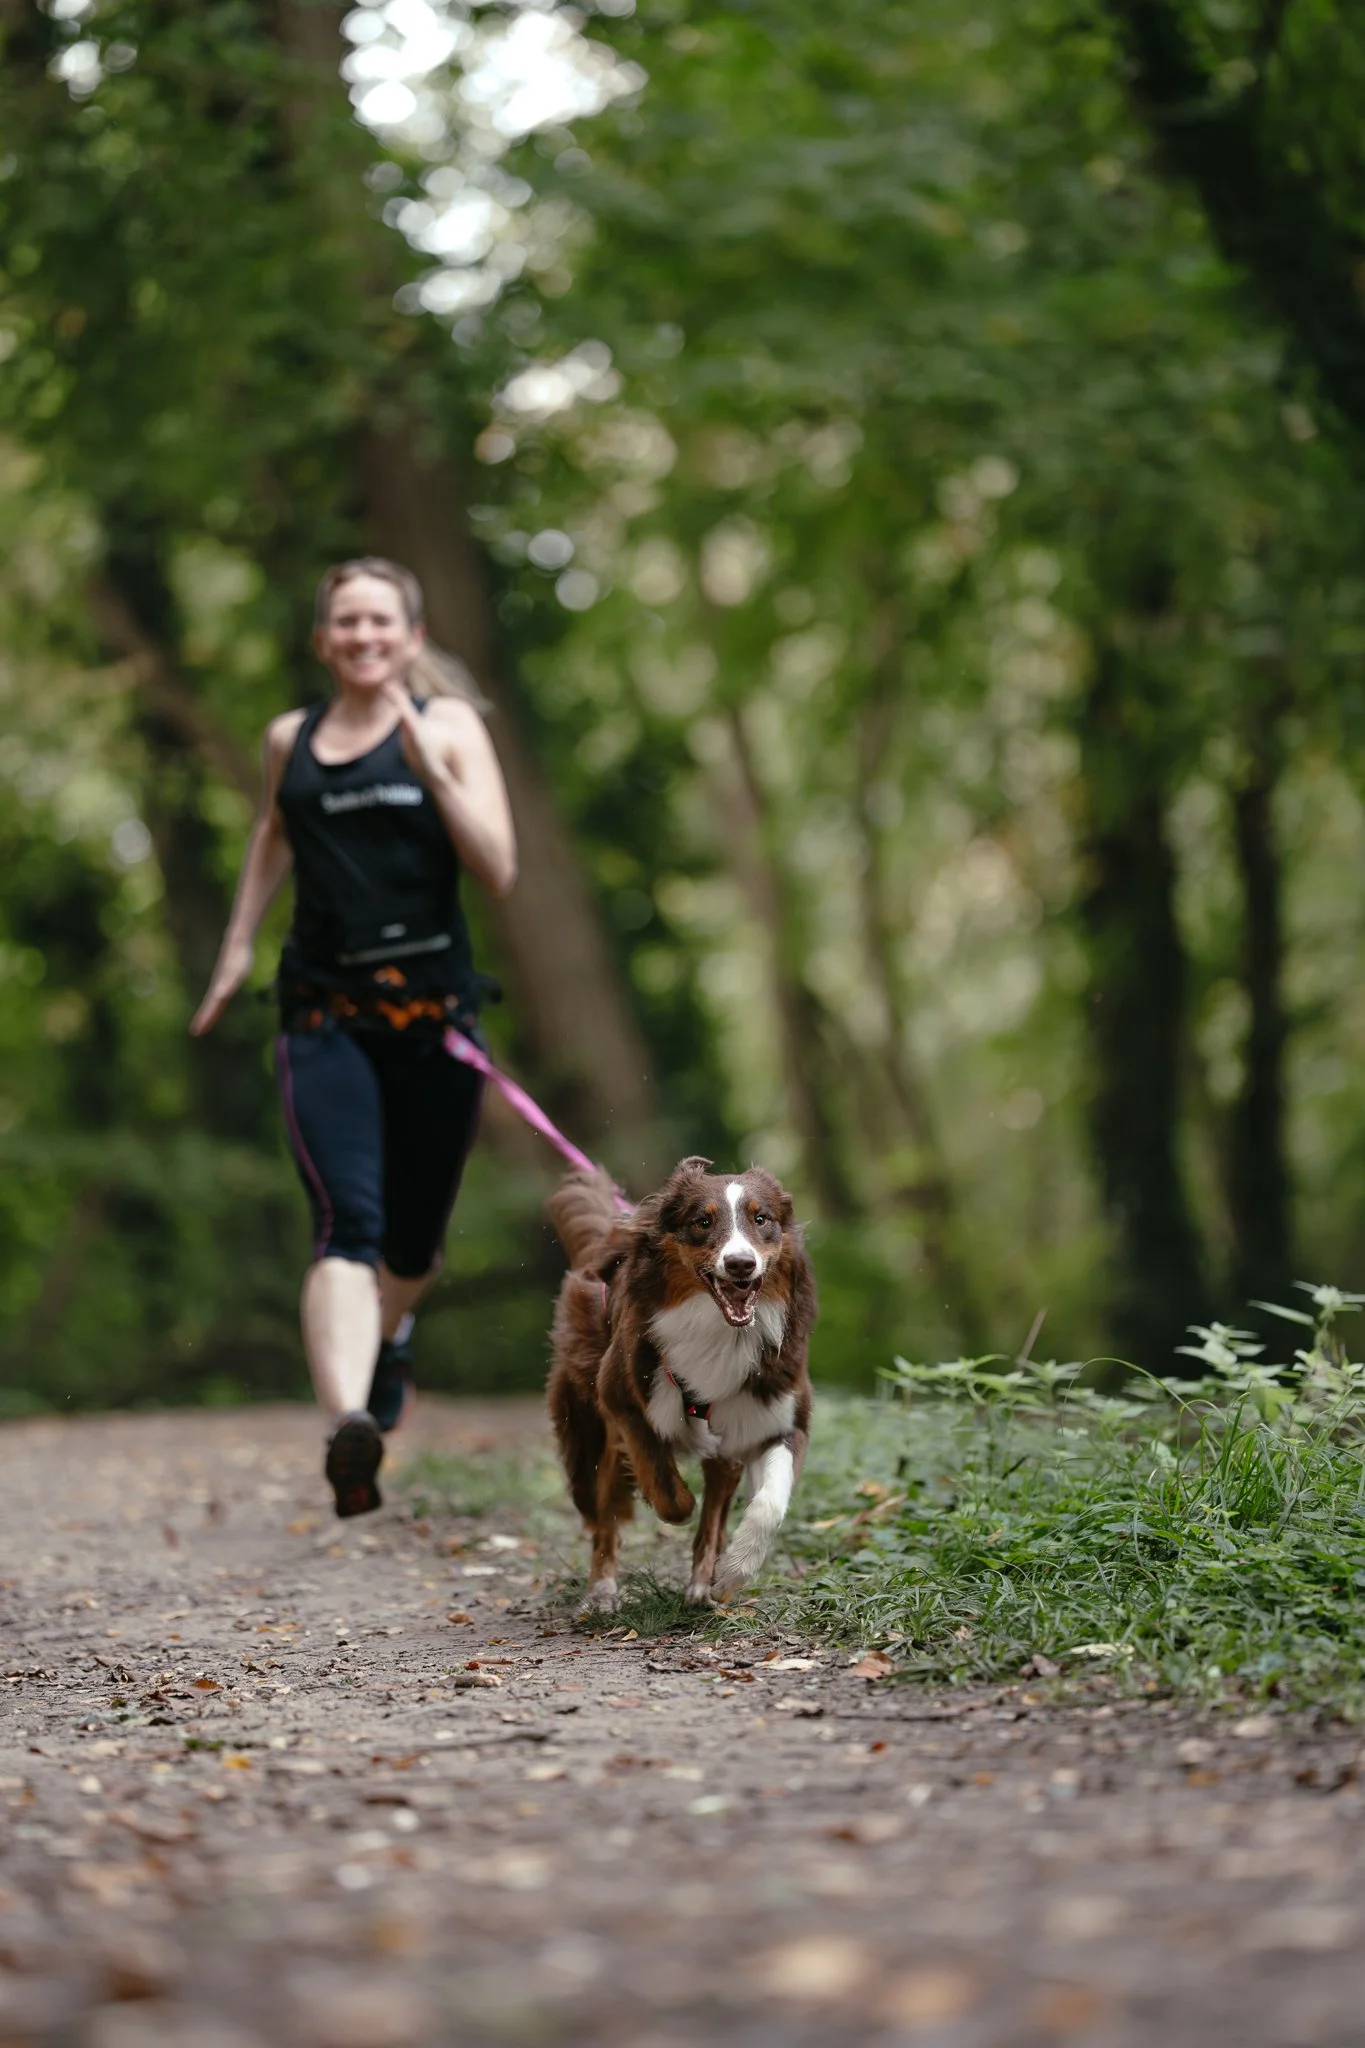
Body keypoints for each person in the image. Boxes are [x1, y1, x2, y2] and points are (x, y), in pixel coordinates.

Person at [190, 559, 517, 1516]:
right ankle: (348, 1425)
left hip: (435, 1023)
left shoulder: (451, 728)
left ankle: (390, 1345)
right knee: (349, 1223)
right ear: (323, 640)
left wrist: (429, 772)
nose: (364, 635)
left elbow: (496, 867)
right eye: (346, 621)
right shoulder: (289, 739)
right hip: (323, 1018)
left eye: (382, 620)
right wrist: (237, 945)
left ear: (411, 637)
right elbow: (271, 832)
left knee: (412, 1244)